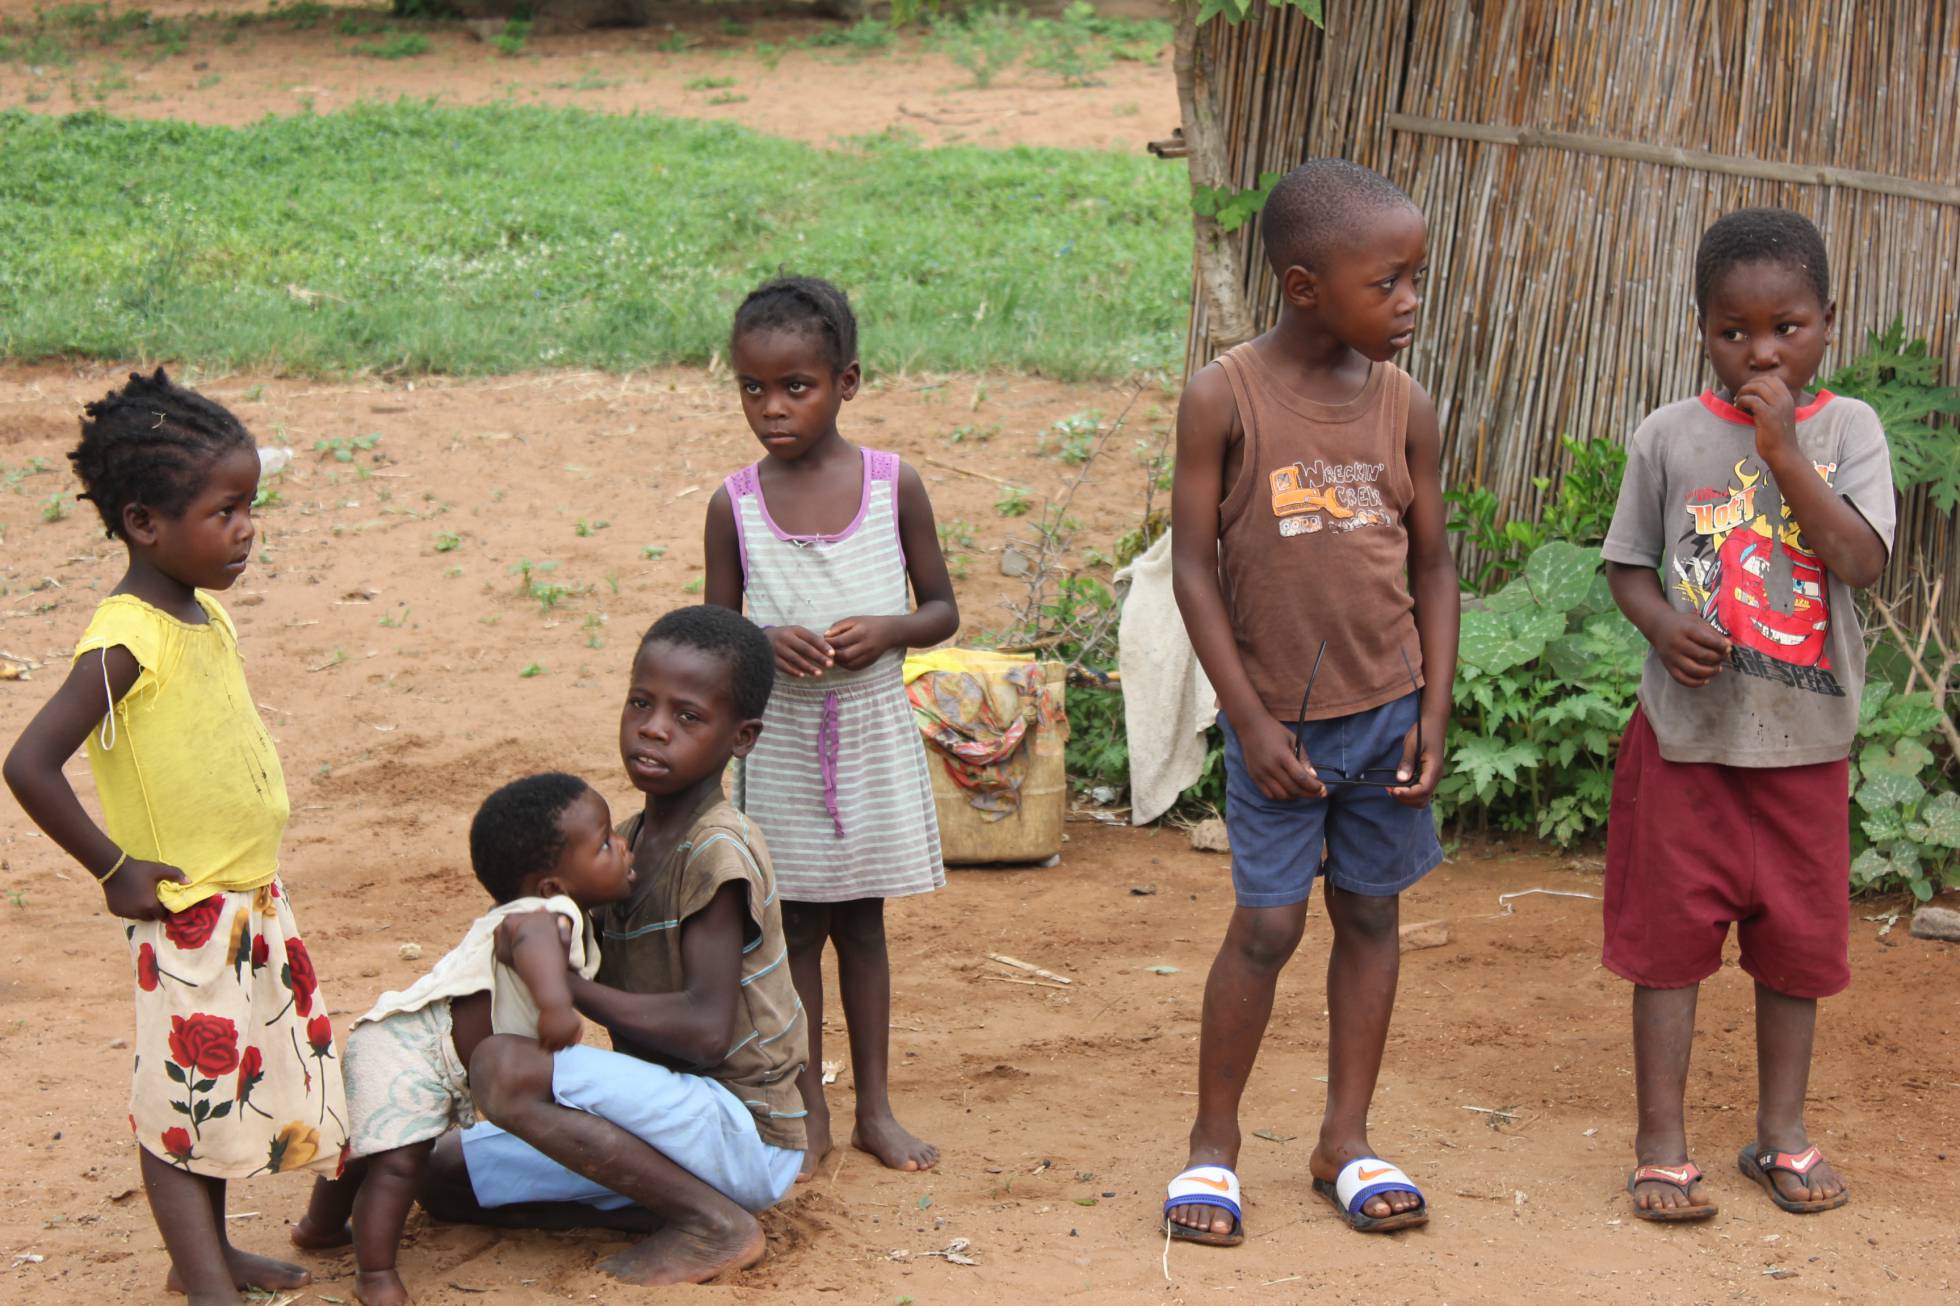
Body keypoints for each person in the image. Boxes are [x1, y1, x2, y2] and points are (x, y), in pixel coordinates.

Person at [3, 369, 349, 1304]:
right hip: (186, 910)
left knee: (225, 1090)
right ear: (144, 523)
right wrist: (113, 868)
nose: (246, 528)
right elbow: (30, 763)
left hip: (248, 900)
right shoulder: (126, 638)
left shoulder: (203, 614)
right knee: (181, 1109)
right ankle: (206, 1284)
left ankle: (212, 1254)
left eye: (251, 506)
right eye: (225, 509)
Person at [1162, 160, 1458, 1243]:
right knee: (1267, 925)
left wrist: (1433, 704)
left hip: (1388, 712)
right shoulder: (1222, 397)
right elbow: (1193, 567)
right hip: (1273, 722)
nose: (1410, 302)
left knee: (1371, 912)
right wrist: (1244, 716)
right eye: (1387, 283)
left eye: (1415, 278)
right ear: (1302, 286)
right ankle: (1212, 1144)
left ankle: (1346, 1137)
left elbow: (1433, 566)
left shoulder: (1406, 406)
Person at [1601, 207, 1891, 1222]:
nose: (1760, 351)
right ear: (1701, 328)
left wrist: (1785, 452)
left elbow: (1857, 561)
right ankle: (1660, 1144)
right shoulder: (1668, 436)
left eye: (1786, 328)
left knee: (1797, 951)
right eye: (1733, 331)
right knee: (1668, 948)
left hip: (1806, 750)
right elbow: (1625, 565)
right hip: (1687, 747)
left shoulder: (1848, 431)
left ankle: (1780, 1135)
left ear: (1826, 324)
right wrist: (1657, 628)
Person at [417, 605, 808, 1287]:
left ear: (741, 738)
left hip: (737, 1128)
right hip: (663, 1124)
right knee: (443, 1174)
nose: (654, 727)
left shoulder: (718, 849)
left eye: (688, 717)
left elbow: (708, 1032)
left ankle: (714, 1222)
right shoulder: (619, 846)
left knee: (509, 1070)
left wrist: (569, 992)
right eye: (640, 702)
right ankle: (668, 1202)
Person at [703, 275, 959, 1177]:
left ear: (847, 381)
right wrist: (763, 641)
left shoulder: (896, 487)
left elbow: (941, 611)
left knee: (863, 927)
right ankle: (809, 1109)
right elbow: (715, 639)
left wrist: (888, 631)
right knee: (796, 932)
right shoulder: (734, 505)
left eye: (796, 386)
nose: (771, 408)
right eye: (752, 388)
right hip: (778, 753)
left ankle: (875, 1112)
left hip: (873, 742)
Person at [290, 772, 636, 1306]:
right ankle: (376, 1274)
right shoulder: (546, 914)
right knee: (401, 1161)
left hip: (394, 1039)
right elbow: (531, 938)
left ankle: (320, 1226)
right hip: (413, 1055)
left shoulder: (543, 908)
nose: (624, 847)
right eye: (606, 842)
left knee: (365, 1147)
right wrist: (554, 1005)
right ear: (551, 885)